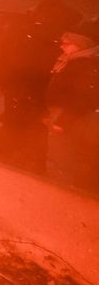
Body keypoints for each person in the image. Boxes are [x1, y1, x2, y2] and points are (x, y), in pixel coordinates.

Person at [45, 29, 99, 192]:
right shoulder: (74, 61)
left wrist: (63, 121)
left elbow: (82, 97)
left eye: (67, 44)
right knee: (58, 153)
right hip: (61, 114)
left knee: (61, 154)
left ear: (80, 46)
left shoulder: (84, 65)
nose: (62, 47)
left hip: (68, 116)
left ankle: (62, 191)